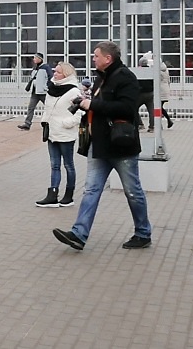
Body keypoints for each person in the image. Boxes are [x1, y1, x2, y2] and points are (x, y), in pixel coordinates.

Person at [53, 41, 153, 251]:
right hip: (99, 145)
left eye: (96, 55)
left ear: (108, 58)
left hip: (121, 146)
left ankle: (143, 233)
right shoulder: (102, 78)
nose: (93, 58)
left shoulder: (125, 78)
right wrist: (87, 101)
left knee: (132, 190)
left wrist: (93, 104)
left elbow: (127, 109)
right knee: (90, 190)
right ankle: (79, 234)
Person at [35, 62, 85, 207]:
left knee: (68, 165)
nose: (54, 74)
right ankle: (52, 195)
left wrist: (66, 123)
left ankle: (68, 196)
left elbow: (79, 113)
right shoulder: (51, 89)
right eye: (55, 71)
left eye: (58, 72)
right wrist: (45, 121)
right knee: (54, 165)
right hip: (51, 132)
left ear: (66, 74)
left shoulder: (73, 91)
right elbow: (48, 108)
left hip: (65, 134)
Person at [137, 50, 174, 131]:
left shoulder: (150, 71)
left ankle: (142, 124)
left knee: (135, 108)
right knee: (154, 110)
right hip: (153, 92)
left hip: (151, 92)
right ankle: (154, 126)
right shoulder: (162, 69)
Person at [18, 52, 53, 130]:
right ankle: (27, 124)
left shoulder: (46, 68)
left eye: (35, 58)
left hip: (43, 92)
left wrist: (46, 87)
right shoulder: (35, 68)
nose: (34, 59)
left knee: (49, 106)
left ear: (40, 59)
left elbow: (51, 78)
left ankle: (52, 122)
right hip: (35, 92)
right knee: (31, 107)